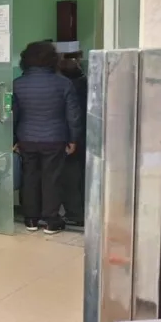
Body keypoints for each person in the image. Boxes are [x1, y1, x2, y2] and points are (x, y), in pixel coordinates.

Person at [13, 41, 82, 234]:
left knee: (30, 177)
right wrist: (73, 139)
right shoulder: (63, 83)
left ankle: (30, 219)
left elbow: (13, 115)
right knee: (51, 178)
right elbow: (73, 115)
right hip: (54, 138)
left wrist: (13, 140)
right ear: (53, 60)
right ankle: (51, 220)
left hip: (26, 138)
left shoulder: (18, 84)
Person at [58, 55, 88, 227]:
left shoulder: (66, 88)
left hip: (70, 138)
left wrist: (71, 139)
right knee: (82, 176)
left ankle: (75, 213)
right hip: (85, 135)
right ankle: (83, 211)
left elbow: (71, 116)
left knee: (69, 177)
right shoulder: (87, 84)